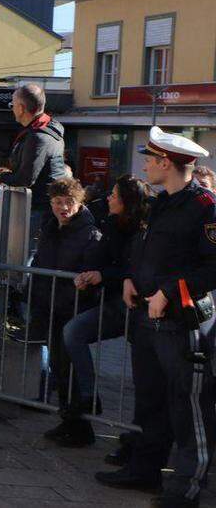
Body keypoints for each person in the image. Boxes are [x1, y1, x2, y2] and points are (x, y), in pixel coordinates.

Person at [96, 127, 216, 508]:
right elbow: (142, 248)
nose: (145, 165)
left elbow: (212, 267)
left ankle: (186, 489)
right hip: (147, 318)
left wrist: (169, 292)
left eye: (150, 159)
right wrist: (131, 277)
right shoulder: (160, 203)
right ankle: (144, 470)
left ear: (167, 162)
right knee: (149, 399)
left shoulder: (206, 207)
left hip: (183, 322)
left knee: (187, 405)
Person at [66, 174, 151, 460]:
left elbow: (133, 268)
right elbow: (99, 257)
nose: (109, 198)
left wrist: (103, 275)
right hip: (114, 305)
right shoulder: (111, 223)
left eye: (115, 194)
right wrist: (88, 275)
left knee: (146, 380)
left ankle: (140, 442)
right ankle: (90, 397)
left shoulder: (143, 229)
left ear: (126, 200)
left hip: (140, 310)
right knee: (74, 332)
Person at [28, 178, 103, 446]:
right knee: (59, 368)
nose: (63, 207)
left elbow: (89, 272)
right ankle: (67, 420)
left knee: (70, 369)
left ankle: (80, 425)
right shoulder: (49, 228)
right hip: (50, 306)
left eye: (69, 202)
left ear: (79, 202)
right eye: (58, 202)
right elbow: (40, 262)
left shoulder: (89, 233)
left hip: (72, 309)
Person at [0, 84, 68, 245]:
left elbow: (26, 179)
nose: (12, 109)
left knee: (26, 257)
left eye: (13, 105)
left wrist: (1, 177)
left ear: (21, 108)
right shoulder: (47, 130)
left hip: (38, 209)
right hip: (43, 206)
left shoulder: (38, 137)